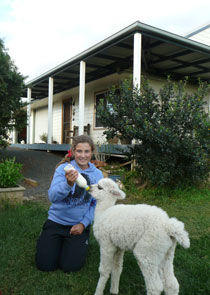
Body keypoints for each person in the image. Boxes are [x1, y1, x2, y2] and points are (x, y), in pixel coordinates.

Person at [35, 135, 103, 272]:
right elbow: (52, 197)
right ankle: (50, 238)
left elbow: (95, 204)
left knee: (70, 267)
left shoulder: (97, 175)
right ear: (73, 151)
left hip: (77, 226)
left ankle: (77, 242)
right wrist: (67, 184)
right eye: (79, 151)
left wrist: (83, 224)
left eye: (86, 151)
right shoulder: (63, 169)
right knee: (45, 265)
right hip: (56, 222)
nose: (83, 156)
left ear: (92, 152)